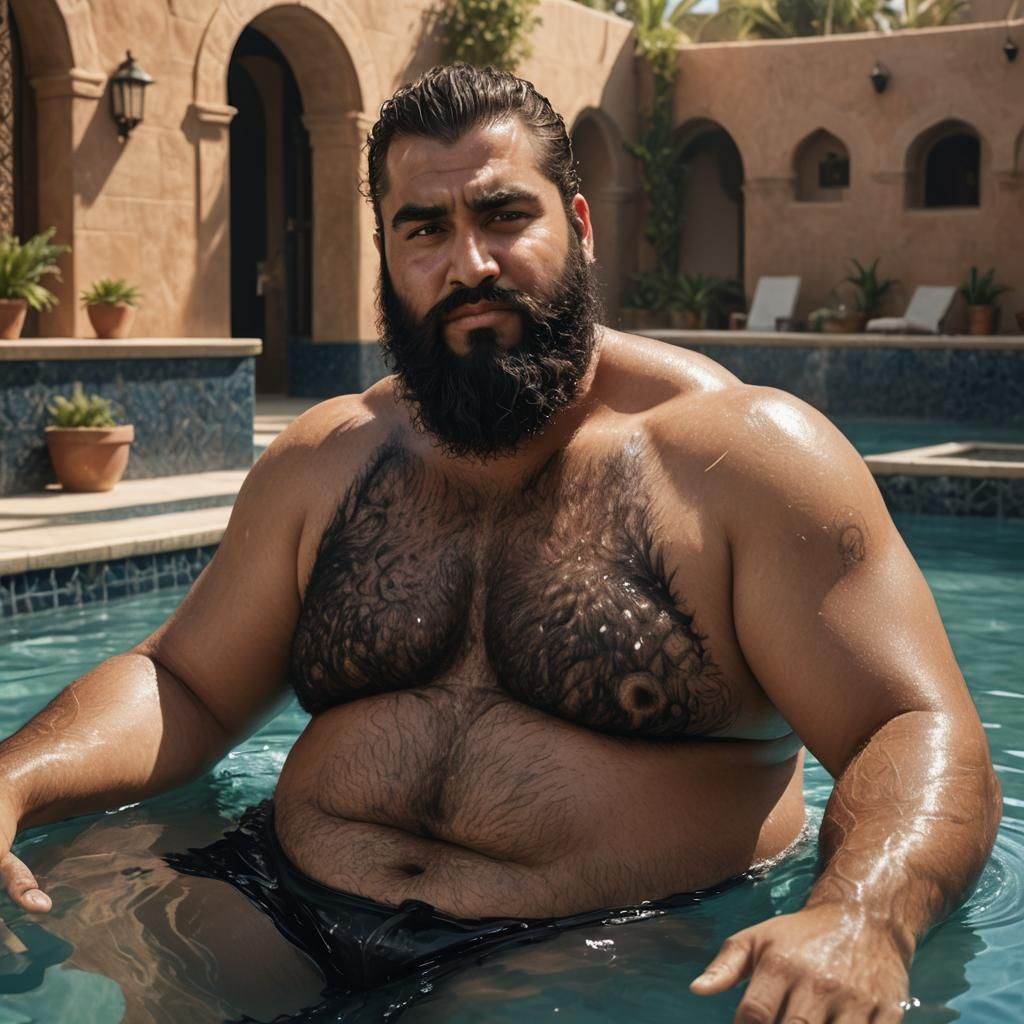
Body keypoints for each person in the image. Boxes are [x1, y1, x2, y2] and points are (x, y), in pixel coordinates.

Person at [0, 64, 1001, 1023]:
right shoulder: (328, 457)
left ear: (577, 224)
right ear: (387, 253)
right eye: (424, 227)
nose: (467, 263)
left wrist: (862, 910)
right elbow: (184, 682)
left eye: (502, 214)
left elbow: (912, 726)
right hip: (276, 892)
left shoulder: (739, 460)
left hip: (586, 948)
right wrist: (11, 779)